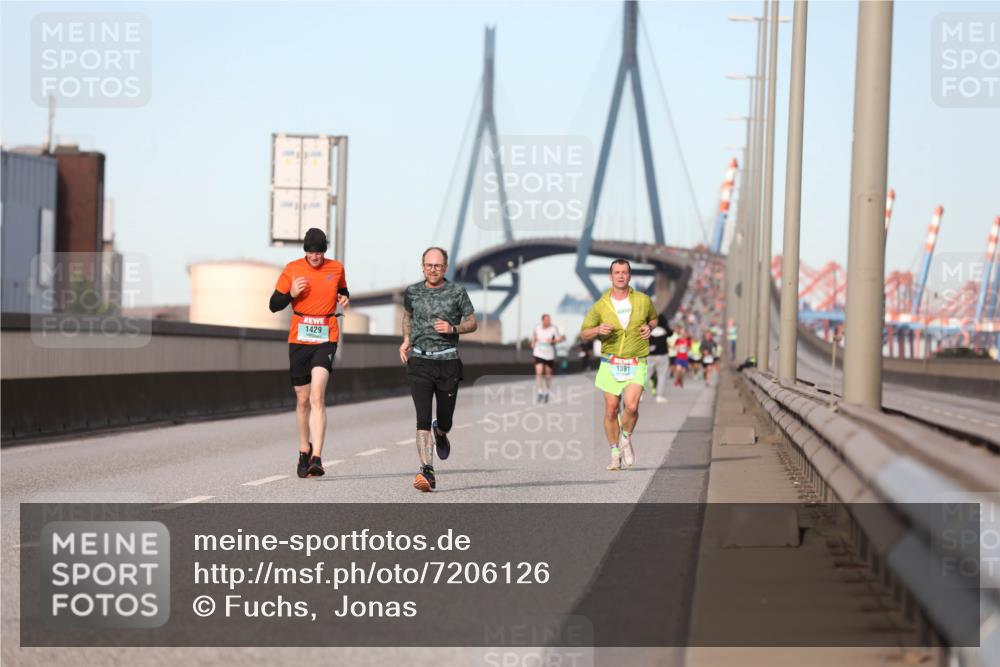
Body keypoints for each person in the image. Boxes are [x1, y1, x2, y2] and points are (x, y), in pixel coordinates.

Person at [269, 228, 349, 479]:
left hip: (326, 336)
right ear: (305, 250)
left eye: (319, 251)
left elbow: (343, 290)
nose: (315, 256)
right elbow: (273, 305)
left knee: (317, 395)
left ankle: (317, 458)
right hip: (299, 338)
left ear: (325, 250)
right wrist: (291, 293)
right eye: (311, 251)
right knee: (302, 399)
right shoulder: (292, 269)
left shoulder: (336, 268)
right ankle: (304, 449)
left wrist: (343, 298)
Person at [399, 247, 477, 492]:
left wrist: (453, 328)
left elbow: (473, 322)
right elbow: (407, 316)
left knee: (445, 419)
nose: (433, 269)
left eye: (438, 266)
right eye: (429, 265)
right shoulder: (413, 291)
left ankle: (440, 432)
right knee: (421, 419)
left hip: (448, 362)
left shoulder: (457, 292)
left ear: (445, 267)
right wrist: (406, 339)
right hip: (420, 361)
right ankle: (427, 471)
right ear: (422, 266)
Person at [580, 259, 659, 471]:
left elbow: (654, 319)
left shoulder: (643, 300)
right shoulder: (600, 305)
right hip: (610, 362)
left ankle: (626, 438)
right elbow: (584, 332)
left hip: (636, 360)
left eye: (624, 272)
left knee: (632, 406)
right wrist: (597, 330)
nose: (621, 276)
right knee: (611, 409)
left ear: (630, 276)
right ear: (611, 276)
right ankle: (615, 453)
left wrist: (649, 327)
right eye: (617, 272)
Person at [530, 314, 565, 403]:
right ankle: (540, 392)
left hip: (549, 353)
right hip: (538, 352)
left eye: (549, 320)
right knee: (539, 372)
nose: (548, 321)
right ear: (542, 320)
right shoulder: (537, 328)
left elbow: (560, 339)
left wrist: (552, 341)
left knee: (548, 375)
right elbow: (533, 337)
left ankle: (547, 391)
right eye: (547, 320)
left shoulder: (553, 328)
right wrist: (533, 343)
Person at [648, 314, 673, 404]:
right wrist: (665, 325)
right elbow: (671, 333)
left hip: (649, 355)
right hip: (662, 355)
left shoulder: (649, 330)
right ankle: (659, 396)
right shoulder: (664, 330)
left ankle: (639, 395)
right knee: (662, 376)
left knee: (645, 376)